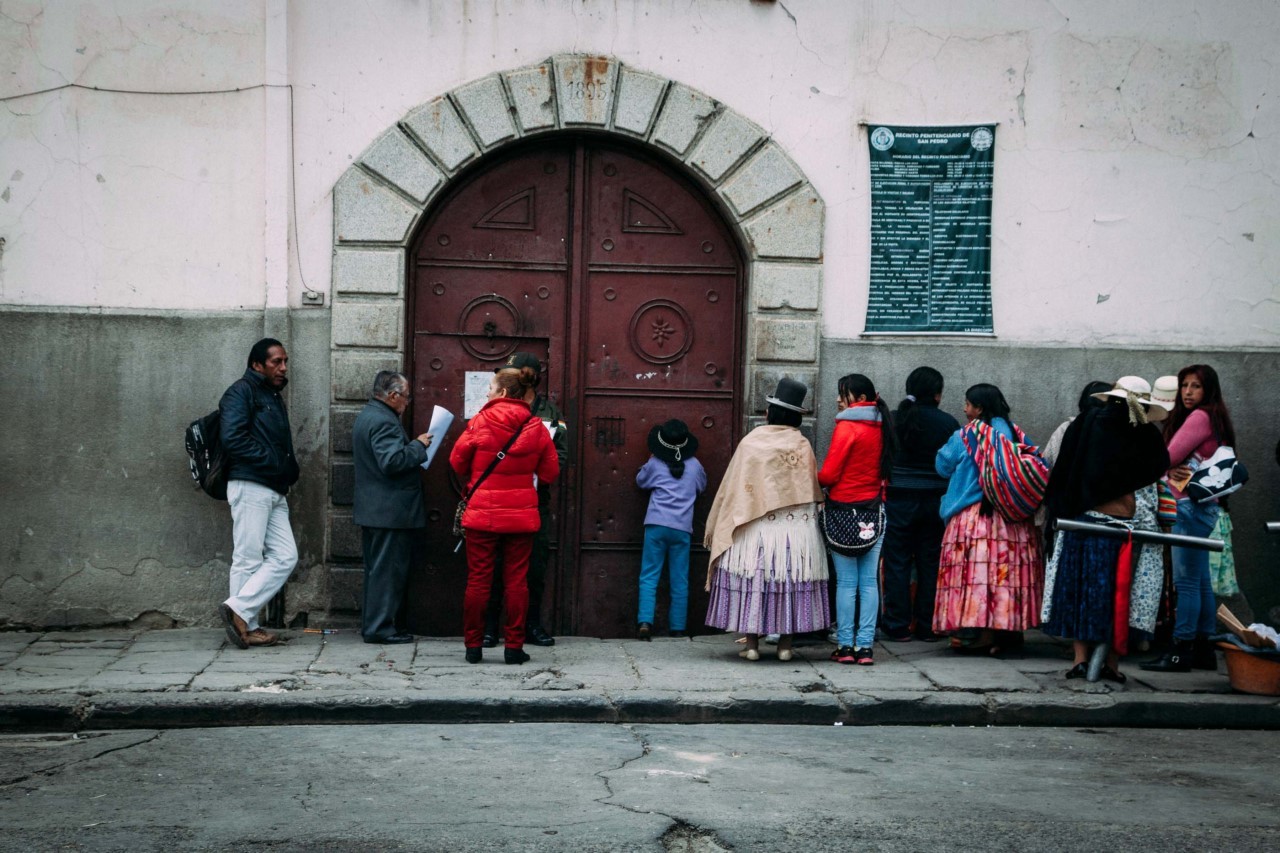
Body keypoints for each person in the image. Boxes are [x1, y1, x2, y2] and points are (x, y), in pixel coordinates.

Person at [1041, 376, 1172, 683]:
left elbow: (1061, 472)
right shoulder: (1140, 433)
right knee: (1117, 596)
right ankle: (1111, 663)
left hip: (1081, 520)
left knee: (1081, 592)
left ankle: (1080, 659)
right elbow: (1158, 466)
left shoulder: (1084, 424)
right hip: (1120, 527)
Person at [704, 378, 828, 662]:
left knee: (755, 578)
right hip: (796, 530)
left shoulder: (752, 442)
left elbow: (734, 487)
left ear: (769, 413)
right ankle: (785, 646)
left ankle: (751, 646)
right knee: (790, 579)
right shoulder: (802, 445)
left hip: (756, 526)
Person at [451, 364, 559, 665]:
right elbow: (550, 472)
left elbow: (457, 462)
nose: (486, 393)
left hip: (482, 515)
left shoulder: (480, 421)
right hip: (521, 517)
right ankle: (513, 647)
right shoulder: (535, 427)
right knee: (517, 582)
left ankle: (473, 646)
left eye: (490, 388)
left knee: (478, 581)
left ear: (501, 392)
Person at [933, 383, 1043, 655]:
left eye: (968, 404)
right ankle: (1008, 634)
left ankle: (981, 634)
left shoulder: (967, 435)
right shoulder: (1016, 434)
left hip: (975, 518)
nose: (964, 409)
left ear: (979, 408)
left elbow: (942, 465)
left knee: (977, 576)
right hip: (1014, 519)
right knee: (1007, 577)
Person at [1142, 364, 1237, 673]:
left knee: (1186, 583)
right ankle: (1203, 649)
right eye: (1184, 386)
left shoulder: (1200, 417)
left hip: (1188, 506)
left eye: (1195, 386)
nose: (1187, 392)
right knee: (1200, 581)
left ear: (1208, 390)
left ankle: (1180, 650)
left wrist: (1166, 468)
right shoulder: (1217, 418)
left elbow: (1166, 456)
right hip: (1205, 506)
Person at [216, 338, 300, 650]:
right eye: (276, 362)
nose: (283, 368)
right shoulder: (242, 391)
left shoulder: (271, 395)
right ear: (257, 365)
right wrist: (276, 463)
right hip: (251, 484)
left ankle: (238, 610)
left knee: (285, 556)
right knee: (248, 557)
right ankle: (245, 626)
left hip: (273, 488)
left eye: (285, 361)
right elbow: (233, 438)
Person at [482, 352, 568, 649]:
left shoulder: (550, 412)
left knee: (534, 569)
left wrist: (534, 474)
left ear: (526, 376)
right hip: (498, 500)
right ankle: (490, 629)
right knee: (493, 567)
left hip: (534, 502)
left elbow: (561, 457)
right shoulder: (493, 409)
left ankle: (530, 625)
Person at [817, 374, 895, 665]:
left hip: (842, 512)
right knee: (869, 583)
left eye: (843, 394)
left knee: (847, 583)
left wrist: (812, 478)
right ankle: (865, 648)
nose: (839, 400)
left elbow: (829, 474)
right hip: (874, 511)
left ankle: (846, 646)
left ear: (859, 399)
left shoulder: (848, 426)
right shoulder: (883, 425)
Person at [879, 367, 960, 643]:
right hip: (934, 502)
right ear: (938, 394)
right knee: (930, 562)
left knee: (897, 562)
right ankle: (927, 625)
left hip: (898, 500)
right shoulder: (948, 423)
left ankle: (897, 625)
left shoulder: (893, 419)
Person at [352, 371, 433, 644]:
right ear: (393, 395)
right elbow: (392, 462)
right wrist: (418, 446)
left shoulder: (369, 415)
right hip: (390, 512)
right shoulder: (384, 421)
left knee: (378, 571)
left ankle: (377, 625)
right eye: (406, 397)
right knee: (386, 573)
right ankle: (380, 629)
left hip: (377, 510)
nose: (407, 403)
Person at [635, 419, 708, 639]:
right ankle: (677, 628)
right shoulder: (695, 466)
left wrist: (647, 464)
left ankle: (645, 622)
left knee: (649, 575)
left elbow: (641, 481)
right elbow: (701, 486)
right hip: (682, 529)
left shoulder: (655, 463)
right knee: (680, 579)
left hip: (656, 526)